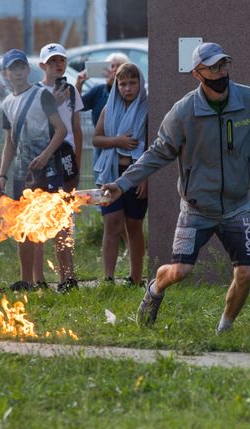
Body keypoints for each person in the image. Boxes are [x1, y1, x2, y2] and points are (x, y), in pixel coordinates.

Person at [102, 42, 250, 332]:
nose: (221, 72)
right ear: (197, 74)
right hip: (196, 208)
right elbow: (157, 153)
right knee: (180, 271)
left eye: (224, 65)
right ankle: (155, 287)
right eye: (213, 67)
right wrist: (122, 184)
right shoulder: (183, 112)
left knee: (246, 273)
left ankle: (225, 329)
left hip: (237, 206)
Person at [0, 49, 67, 291]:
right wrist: (2, 174)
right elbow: (9, 142)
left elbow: (61, 130)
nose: (17, 72)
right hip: (20, 174)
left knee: (54, 225)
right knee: (22, 228)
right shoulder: (6, 103)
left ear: (28, 69)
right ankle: (26, 281)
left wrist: (45, 155)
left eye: (20, 67)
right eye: (11, 68)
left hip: (46, 172)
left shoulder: (41, 96)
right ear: (5, 74)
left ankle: (66, 279)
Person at [92, 63, 148, 286]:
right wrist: (117, 141)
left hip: (136, 174)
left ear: (140, 84)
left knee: (134, 225)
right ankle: (108, 277)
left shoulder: (148, 108)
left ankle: (135, 278)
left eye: (132, 83)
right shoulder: (109, 108)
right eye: (122, 84)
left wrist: (146, 176)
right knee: (112, 224)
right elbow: (96, 139)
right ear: (116, 85)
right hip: (111, 174)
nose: (127, 88)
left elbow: (153, 147)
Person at [38, 42, 83, 292]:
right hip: (44, 158)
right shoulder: (37, 92)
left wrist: (79, 162)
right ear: (43, 65)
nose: (58, 65)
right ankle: (38, 277)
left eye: (62, 60)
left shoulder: (73, 92)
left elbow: (76, 129)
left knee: (64, 219)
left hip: (65, 158)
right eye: (53, 61)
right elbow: (37, 125)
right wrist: (52, 103)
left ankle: (68, 277)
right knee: (43, 219)